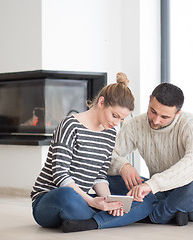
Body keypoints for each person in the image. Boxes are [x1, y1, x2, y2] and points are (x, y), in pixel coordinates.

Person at [31, 72, 155, 233]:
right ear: (101, 102)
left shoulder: (110, 134)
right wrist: (93, 202)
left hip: (82, 199)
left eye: (121, 120)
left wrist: (109, 201)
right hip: (51, 199)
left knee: (147, 199)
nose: (116, 123)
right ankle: (109, 219)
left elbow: (99, 176)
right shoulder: (70, 125)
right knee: (67, 195)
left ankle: (92, 222)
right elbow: (60, 175)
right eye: (115, 116)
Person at [107, 82, 193, 226]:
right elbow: (107, 154)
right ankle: (174, 211)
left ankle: (154, 216)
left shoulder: (192, 125)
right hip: (162, 192)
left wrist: (151, 184)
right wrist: (122, 165)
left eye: (164, 117)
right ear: (149, 100)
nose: (156, 120)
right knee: (107, 175)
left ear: (178, 113)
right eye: (153, 111)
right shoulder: (136, 124)